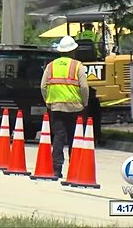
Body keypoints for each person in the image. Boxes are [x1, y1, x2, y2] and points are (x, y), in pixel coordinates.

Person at [41, 36, 89, 178]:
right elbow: (84, 87)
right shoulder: (78, 65)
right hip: (75, 108)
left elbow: (43, 86)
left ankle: (56, 169)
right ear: (73, 51)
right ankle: (74, 169)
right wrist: (84, 103)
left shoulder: (51, 66)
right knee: (75, 138)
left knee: (58, 137)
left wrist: (48, 101)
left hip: (56, 107)